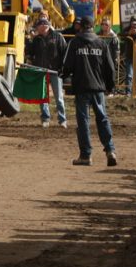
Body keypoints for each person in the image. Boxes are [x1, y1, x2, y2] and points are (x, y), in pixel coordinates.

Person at [61, 16, 118, 166]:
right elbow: (110, 68)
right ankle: (110, 150)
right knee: (102, 118)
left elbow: (67, 66)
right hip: (98, 88)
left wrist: (62, 75)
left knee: (83, 121)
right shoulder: (102, 43)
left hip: (81, 88)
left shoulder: (74, 43)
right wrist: (110, 86)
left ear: (81, 27)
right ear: (93, 26)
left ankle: (86, 155)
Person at [25, 17, 67, 128]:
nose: (37, 29)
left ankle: (62, 120)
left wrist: (62, 68)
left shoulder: (57, 37)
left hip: (55, 71)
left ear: (45, 26)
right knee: (42, 97)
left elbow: (64, 53)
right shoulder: (36, 39)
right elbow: (30, 53)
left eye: (38, 26)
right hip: (41, 71)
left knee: (59, 97)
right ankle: (45, 118)